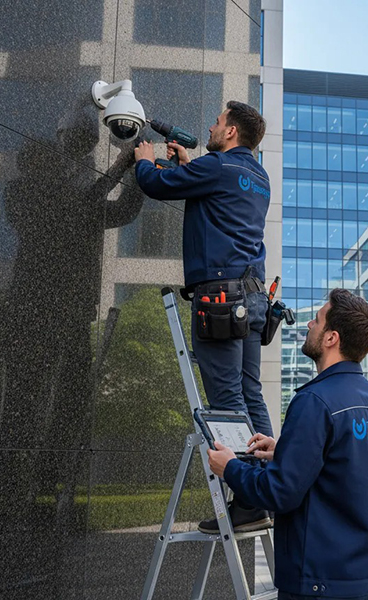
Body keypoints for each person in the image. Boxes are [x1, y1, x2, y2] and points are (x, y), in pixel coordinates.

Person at [134, 100, 274, 532]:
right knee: (250, 394)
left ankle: (247, 500)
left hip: (219, 299)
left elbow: (158, 186)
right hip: (252, 300)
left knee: (227, 402)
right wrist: (191, 163)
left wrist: (145, 162)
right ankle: (266, 491)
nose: (212, 127)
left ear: (231, 132)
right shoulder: (257, 175)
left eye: (217, 122)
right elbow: (219, 198)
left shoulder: (218, 167)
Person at [208, 289, 368, 600]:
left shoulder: (314, 401)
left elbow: (279, 493)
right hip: (367, 579)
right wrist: (285, 451)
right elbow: (343, 468)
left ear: (331, 338)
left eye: (318, 319)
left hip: (318, 583)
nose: (310, 324)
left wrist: (230, 468)